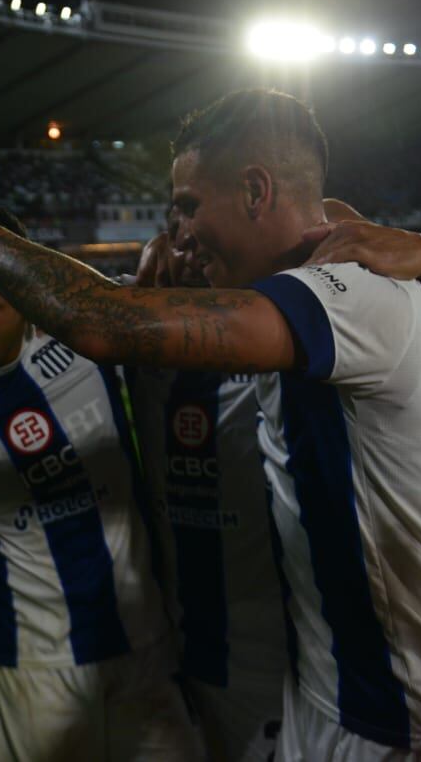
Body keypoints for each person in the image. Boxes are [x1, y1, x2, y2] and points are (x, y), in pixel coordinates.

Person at [0, 89, 421, 760]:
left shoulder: (353, 295)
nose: (179, 234)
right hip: (327, 698)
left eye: (188, 207)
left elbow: (110, 323)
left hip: (411, 720)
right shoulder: (313, 294)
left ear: (257, 190)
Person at [0, 205, 202, 762]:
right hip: (30, 665)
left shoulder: (95, 339)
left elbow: (195, 268)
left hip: (145, 643)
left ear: (24, 293)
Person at [128, 227, 286, 762]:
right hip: (174, 636)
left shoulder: (279, 327)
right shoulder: (135, 329)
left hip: (275, 643)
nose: (191, 256)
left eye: (204, 240)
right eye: (178, 242)